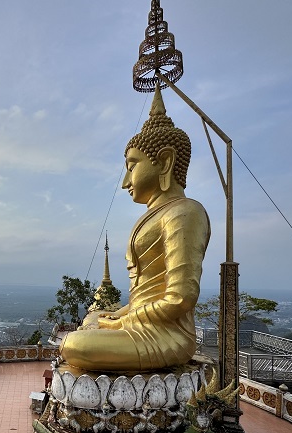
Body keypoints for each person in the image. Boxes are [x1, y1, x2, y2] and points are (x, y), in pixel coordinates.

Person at [60, 85, 210, 371]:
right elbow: (144, 296)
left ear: (165, 161)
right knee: (92, 319)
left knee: (73, 345)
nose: (126, 181)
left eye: (132, 166)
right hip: (143, 322)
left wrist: (125, 320)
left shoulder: (185, 212)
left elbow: (179, 298)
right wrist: (118, 315)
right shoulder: (157, 215)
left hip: (167, 335)